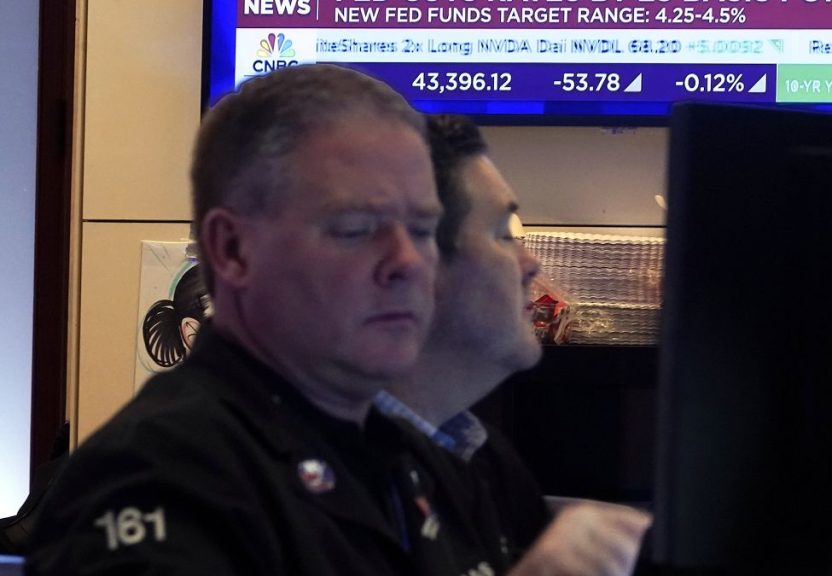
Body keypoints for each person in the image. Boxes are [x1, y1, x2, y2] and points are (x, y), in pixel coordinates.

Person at [26, 65, 509, 575]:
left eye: (422, 228)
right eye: (356, 228)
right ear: (233, 250)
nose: (408, 262)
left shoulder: (415, 453)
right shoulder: (156, 481)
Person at [376, 114, 652, 576]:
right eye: (504, 234)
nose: (531, 263)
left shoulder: (477, 452)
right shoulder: (309, 479)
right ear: (418, 267)